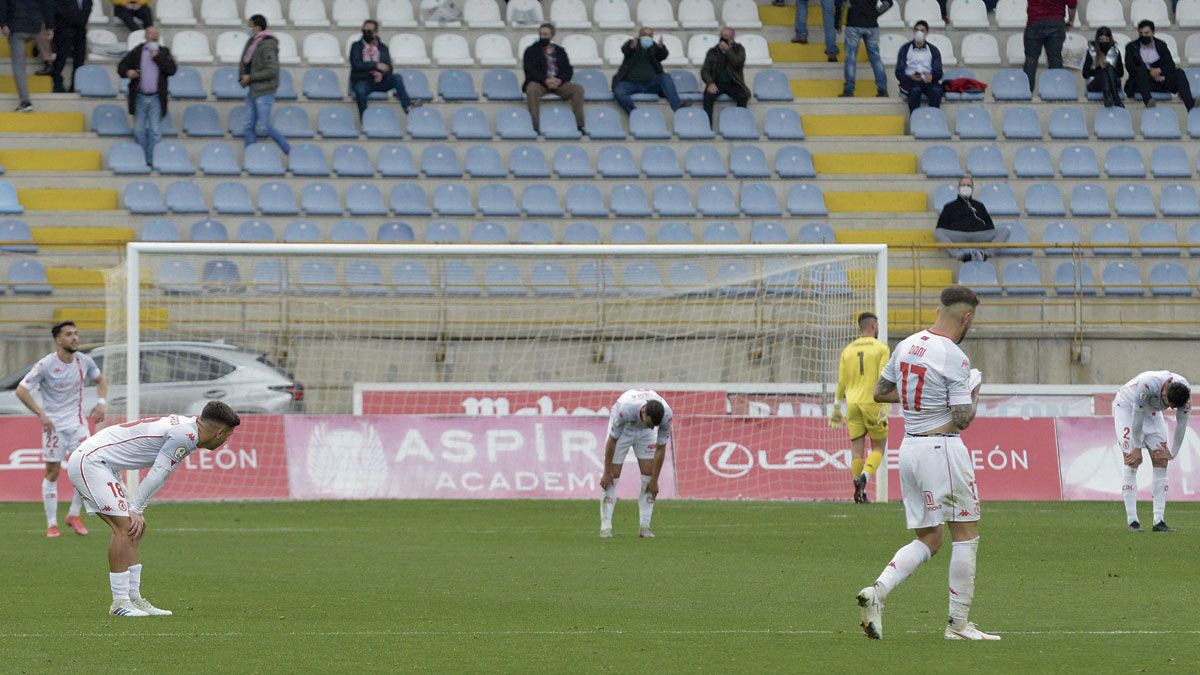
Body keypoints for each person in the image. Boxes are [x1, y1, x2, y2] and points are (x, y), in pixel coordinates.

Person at [857, 286, 999, 641]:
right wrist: (974, 390)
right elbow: (963, 419)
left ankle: (878, 591)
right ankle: (959, 625)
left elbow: (879, 391)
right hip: (942, 449)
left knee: (931, 538)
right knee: (965, 534)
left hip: (909, 449)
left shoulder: (908, 344)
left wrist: (923, 398)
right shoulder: (954, 356)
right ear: (966, 318)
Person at [67, 401, 241, 617]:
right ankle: (119, 602)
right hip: (91, 461)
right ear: (220, 432)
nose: (226, 441)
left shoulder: (188, 429)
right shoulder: (184, 436)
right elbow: (158, 472)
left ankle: (135, 599)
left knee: (132, 529)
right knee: (125, 527)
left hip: (105, 464)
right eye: (228, 436)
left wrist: (137, 509)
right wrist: (137, 508)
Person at [14, 321, 107, 538]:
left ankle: (74, 514)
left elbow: (101, 379)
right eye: (69, 334)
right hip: (54, 428)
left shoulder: (84, 361)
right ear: (58, 340)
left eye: (76, 333)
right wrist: (40, 413)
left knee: (85, 467)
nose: (75, 337)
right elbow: (22, 390)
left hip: (78, 425)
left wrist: (102, 402)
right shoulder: (46, 364)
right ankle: (51, 524)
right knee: (53, 472)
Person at [1112, 371, 1191, 533]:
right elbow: (1137, 417)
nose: (1170, 407)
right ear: (1164, 390)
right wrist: (1136, 446)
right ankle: (1133, 520)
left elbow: (1182, 424)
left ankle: (1159, 520)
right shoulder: (1148, 385)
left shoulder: (1185, 395)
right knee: (1132, 460)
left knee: (1161, 460)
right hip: (1128, 408)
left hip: (1152, 412)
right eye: (1168, 402)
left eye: (1172, 407)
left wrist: (1172, 453)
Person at [830, 312, 891, 504]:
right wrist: (885, 407)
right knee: (879, 447)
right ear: (874, 325)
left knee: (856, 451)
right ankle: (865, 476)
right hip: (872, 402)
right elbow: (884, 378)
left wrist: (837, 407)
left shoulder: (847, 350)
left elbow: (841, 382)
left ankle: (859, 494)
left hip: (852, 404)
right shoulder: (881, 348)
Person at [599, 390, 672, 539]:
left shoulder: (666, 416)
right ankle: (606, 526)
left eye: (654, 426)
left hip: (644, 433)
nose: (652, 428)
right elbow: (612, 440)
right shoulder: (625, 410)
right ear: (644, 412)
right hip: (625, 429)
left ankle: (645, 527)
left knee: (649, 475)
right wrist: (606, 472)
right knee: (613, 475)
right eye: (650, 424)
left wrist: (654, 480)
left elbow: (661, 447)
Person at [117, 25, 176, 164]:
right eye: (150, 34)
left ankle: (152, 160)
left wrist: (158, 58)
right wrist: (128, 73)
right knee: (139, 131)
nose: (153, 36)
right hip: (139, 97)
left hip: (156, 97)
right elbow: (121, 66)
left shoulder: (164, 51)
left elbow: (172, 70)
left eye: (156, 34)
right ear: (145, 36)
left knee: (155, 132)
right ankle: (141, 159)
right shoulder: (137, 51)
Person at [239, 14, 290, 155]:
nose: (247, 28)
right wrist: (242, 77)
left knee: (265, 126)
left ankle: (290, 151)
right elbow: (245, 63)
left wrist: (250, 77)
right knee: (248, 125)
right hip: (253, 90)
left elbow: (272, 70)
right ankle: (251, 156)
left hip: (264, 91)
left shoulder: (267, 44)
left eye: (249, 26)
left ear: (257, 27)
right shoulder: (252, 42)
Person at [522, 22, 585, 134]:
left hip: (558, 83)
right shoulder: (531, 50)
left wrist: (560, 79)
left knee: (577, 89)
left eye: (546, 35)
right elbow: (529, 70)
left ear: (552, 36)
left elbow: (568, 70)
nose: (543, 37)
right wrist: (545, 80)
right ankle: (534, 127)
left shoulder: (560, 51)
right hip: (540, 83)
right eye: (541, 34)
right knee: (531, 88)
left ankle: (579, 125)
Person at [349, 19, 417, 121]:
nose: (366, 33)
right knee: (360, 90)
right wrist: (375, 66)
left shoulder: (383, 48)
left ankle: (408, 107)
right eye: (364, 31)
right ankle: (365, 120)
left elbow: (388, 67)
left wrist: (381, 74)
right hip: (363, 80)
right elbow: (356, 65)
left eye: (369, 31)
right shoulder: (356, 46)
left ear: (376, 32)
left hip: (380, 81)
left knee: (397, 78)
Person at [611, 27, 688, 115]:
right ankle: (634, 113)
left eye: (649, 35)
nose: (647, 37)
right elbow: (625, 50)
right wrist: (631, 47)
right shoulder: (633, 43)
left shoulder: (654, 46)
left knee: (665, 77)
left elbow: (662, 56)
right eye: (644, 35)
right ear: (639, 36)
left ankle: (677, 106)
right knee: (619, 92)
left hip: (650, 84)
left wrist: (661, 48)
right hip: (631, 84)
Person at [935, 175, 1009, 262]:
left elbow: (990, 227)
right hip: (959, 235)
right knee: (938, 232)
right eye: (963, 185)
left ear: (973, 189)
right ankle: (960, 255)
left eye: (969, 185)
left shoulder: (979, 206)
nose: (966, 187)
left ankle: (985, 254)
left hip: (978, 235)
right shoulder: (949, 206)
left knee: (1005, 230)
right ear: (959, 188)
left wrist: (979, 228)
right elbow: (941, 226)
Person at [1123, 20, 1194, 110]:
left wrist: (1159, 71)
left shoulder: (1161, 45)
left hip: (1160, 80)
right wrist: (1150, 72)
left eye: (1146, 33)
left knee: (1179, 72)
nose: (1143, 36)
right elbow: (1131, 67)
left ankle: (1190, 105)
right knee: (1140, 70)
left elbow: (1170, 65)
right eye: (1141, 33)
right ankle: (1148, 101)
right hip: (1142, 83)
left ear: (1153, 33)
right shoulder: (1132, 47)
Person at [0, 0, 55, 111]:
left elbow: (2, 4)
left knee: (18, 65)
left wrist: (3, 24)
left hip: (16, 27)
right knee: (41, 36)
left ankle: (25, 101)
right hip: (36, 25)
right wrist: (50, 27)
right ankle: (47, 60)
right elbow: (47, 4)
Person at [700, 26, 750, 127]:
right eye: (722, 36)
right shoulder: (713, 51)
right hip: (717, 83)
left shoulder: (739, 49)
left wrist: (728, 50)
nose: (723, 38)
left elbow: (738, 63)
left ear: (732, 38)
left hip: (734, 82)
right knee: (707, 96)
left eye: (726, 36)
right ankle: (707, 126)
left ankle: (740, 124)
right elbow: (705, 70)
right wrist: (710, 83)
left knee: (743, 96)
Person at [1022, 0, 1076, 91]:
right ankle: (1056, 90)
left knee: (1031, 59)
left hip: (1034, 22)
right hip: (1056, 22)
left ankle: (1026, 91)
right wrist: (1071, 21)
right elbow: (1072, 5)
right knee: (1055, 58)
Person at [841, 0, 888, 98]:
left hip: (853, 23)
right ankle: (882, 89)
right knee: (875, 58)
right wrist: (874, 13)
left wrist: (837, 20)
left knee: (851, 57)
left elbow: (839, 2)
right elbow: (888, 3)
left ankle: (849, 90)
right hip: (871, 25)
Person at [896, 20, 943, 113]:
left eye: (922, 30)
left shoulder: (933, 50)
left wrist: (932, 76)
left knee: (936, 90)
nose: (919, 32)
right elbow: (898, 72)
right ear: (914, 32)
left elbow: (939, 71)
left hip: (928, 81)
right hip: (911, 81)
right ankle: (915, 119)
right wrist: (910, 77)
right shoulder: (905, 49)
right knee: (915, 90)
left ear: (927, 33)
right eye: (917, 30)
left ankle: (934, 117)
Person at [51, 0, 90, 93]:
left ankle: (75, 85)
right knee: (61, 57)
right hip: (64, 29)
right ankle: (57, 84)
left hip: (80, 31)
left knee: (79, 59)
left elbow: (87, 9)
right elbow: (58, 9)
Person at [1082, 26, 1123, 108]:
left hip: (1113, 82)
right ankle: (1115, 98)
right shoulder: (1091, 51)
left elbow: (1120, 73)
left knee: (1109, 67)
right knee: (1102, 70)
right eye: (1101, 40)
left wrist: (1110, 68)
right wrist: (1098, 68)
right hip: (1095, 83)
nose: (1104, 42)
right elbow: (1085, 74)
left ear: (1110, 39)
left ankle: (1108, 97)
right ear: (1098, 40)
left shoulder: (1115, 51)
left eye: (1106, 40)